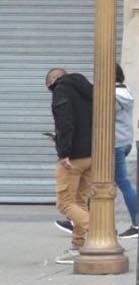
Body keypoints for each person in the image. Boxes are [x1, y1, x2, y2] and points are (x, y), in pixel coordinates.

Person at [47, 68, 94, 265]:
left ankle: (101, 232)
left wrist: (63, 151)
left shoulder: (62, 90)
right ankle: (78, 246)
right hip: (92, 155)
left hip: (73, 157)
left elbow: (65, 121)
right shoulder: (88, 90)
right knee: (80, 202)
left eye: (50, 88)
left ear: (53, 81)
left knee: (65, 203)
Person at [113, 64, 139, 239]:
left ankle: (138, 223)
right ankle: (78, 220)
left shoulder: (112, 95)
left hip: (114, 144)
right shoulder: (125, 91)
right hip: (125, 142)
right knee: (95, 181)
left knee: (123, 182)